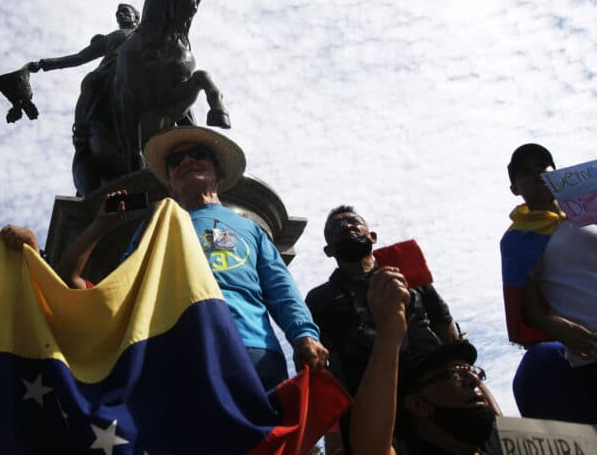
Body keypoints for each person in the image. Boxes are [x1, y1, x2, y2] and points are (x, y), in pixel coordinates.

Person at [140, 126, 327, 390]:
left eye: (198, 154)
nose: (187, 161)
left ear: (220, 172)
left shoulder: (251, 229)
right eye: (175, 160)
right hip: (177, 351)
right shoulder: (153, 228)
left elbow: (281, 287)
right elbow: (126, 287)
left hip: (254, 352)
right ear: (169, 183)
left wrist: (304, 333)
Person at [305, 205, 458, 398]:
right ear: (328, 250)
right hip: (363, 398)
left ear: (372, 236)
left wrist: (459, 369)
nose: (346, 226)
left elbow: (444, 325)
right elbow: (316, 358)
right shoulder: (318, 298)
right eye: (336, 226)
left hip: (430, 387)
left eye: (354, 221)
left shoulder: (407, 274)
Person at [349, 268, 498, 455]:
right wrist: (389, 333)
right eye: (455, 374)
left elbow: (501, 423)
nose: (473, 380)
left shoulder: (504, 445)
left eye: (474, 372)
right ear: (417, 404)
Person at [500, 143, 597, 420]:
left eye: (543, 168)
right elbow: (529, 308)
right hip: (591, 353)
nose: (537, 174)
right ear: (515, 188)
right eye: (526, 172)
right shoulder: (519, 238)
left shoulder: (589, 216)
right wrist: (558, 327)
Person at [27, 4, 140, 195]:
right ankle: (81, 131)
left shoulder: (147, 31)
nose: (120, 15)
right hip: (110, 73)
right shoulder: (113, 36)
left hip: (141, 74)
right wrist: (44, 64)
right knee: (90, 81)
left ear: (136, 17)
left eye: (125, 12)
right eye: (118, 13)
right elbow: (79, 57)